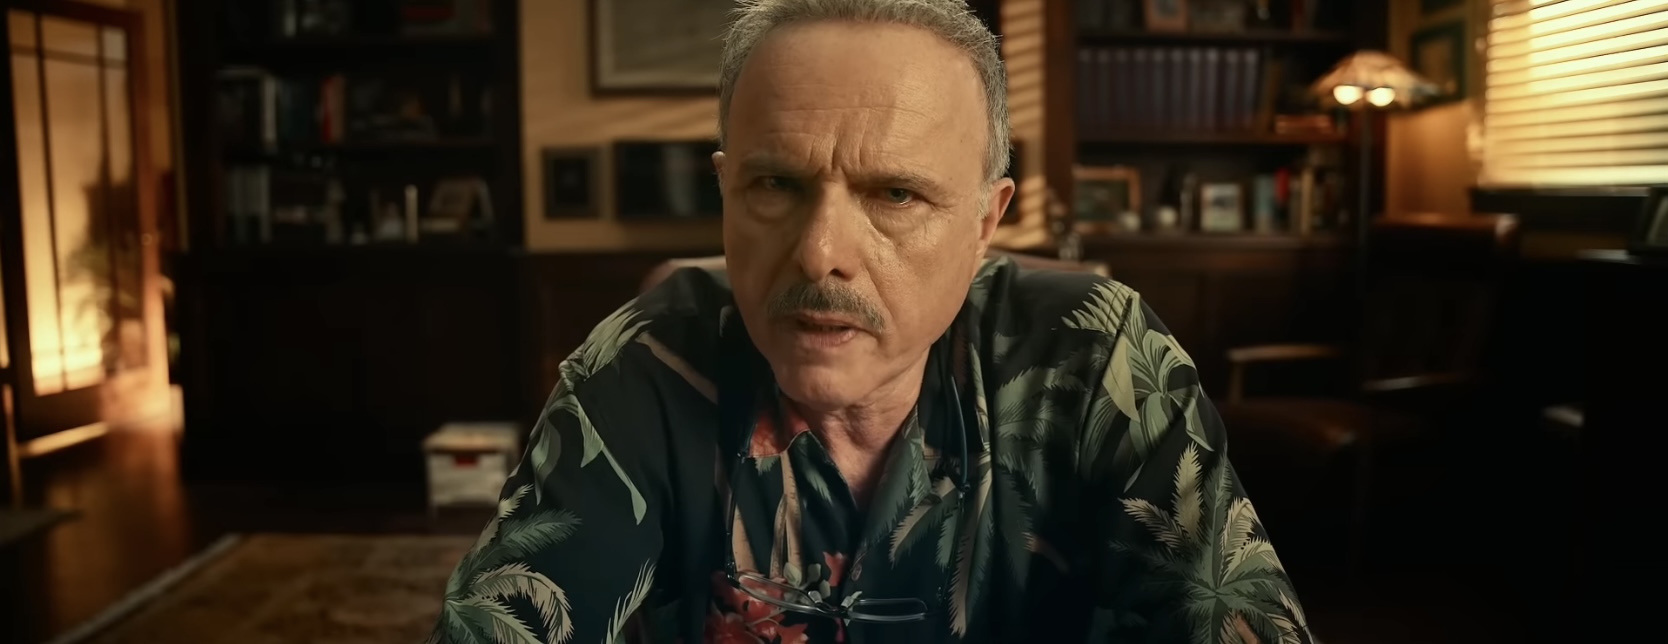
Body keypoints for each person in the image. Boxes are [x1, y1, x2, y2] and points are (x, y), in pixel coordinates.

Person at [430, 1, 1313, 642]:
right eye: (775, 185)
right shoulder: (644, 364)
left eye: (895, 194)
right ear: (726, 191)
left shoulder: (1097, 355)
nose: (820, 254)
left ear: (985, 222)